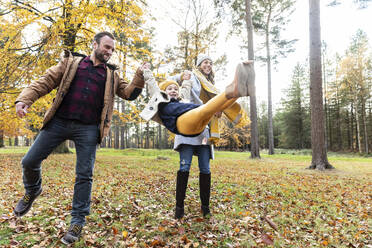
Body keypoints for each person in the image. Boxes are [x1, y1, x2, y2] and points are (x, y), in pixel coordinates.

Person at [14, 31, 146, 245]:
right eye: (106, 47)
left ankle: (77, 221)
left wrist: (139, 75)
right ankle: (33, 190)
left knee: (84, 175)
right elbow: (45, 81)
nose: (109, 52)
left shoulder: (112, 75)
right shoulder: (71, 63)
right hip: (59, 122)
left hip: (88, 129)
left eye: (112, 49)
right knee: (29, 161)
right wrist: (24, 99)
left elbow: (129, 93)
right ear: (94, 44)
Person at [140, 58, 255, 219]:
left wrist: (186, 85)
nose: (173, 90)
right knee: (185, 166)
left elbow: (184, 90)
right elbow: (163, 83)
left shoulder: (202, 88)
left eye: (210, 62)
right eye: (204, 62)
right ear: (198, 65)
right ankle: (179, 208)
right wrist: (178, 76)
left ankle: (205, 208)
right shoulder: (182, 83)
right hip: (184, 129)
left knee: (205, 168)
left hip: (201, 130)